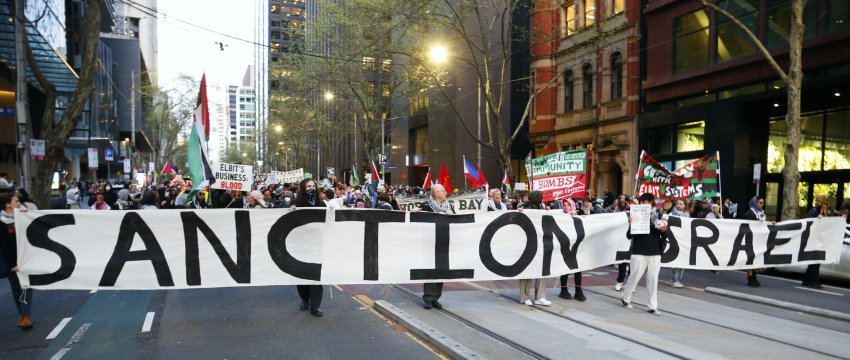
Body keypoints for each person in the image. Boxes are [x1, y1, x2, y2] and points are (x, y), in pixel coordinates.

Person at [621, 193, 667, 315]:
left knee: (653, 279)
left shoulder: (660, 216)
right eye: (642, 201)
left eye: (646, 201)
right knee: (634, 276)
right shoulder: (635, 215)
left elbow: (666, 236)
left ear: (652, 203)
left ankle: (653, 306)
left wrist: (664, 230)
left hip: (655, 252)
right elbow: (628, 236)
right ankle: (626, 297)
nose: (643, 204)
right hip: (638, 251)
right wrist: (631, 224)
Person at [415, 184, 456, 309]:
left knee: (441, 270)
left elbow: (458, 223)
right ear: (437, 193)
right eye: (443, 191)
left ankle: (436, 297)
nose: (446, 192)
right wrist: (415, 213)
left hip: (444, 242)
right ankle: (428, 298)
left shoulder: (450, 206)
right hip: (429, 243)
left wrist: (452, 215)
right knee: (430, 271)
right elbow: (416, 223)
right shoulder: (426, 206)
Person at [291, 178, 326, 317]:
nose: (311, 188)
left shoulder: (321, 203)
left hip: (317, 246)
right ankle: (305, 300)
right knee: (302, 277)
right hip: (300, 246)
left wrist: (331, 211)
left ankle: (315, 306)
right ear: (302, 188)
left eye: (313, 186)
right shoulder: (297, 203)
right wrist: (290, 212)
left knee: (315, 278)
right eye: (308, 186)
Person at [0, 192, 33, 329]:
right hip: (12, 263)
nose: (19, 203)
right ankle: (23, 315)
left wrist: (26, 214)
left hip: (25, 259)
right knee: (16, 289)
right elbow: (4, 247)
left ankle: (25, 316)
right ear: (7, 205)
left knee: (26, 287)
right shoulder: (2, 223)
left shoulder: (22, 216)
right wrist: (14, 264)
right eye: (16, 201)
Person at [516, 191, 553, 307]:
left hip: (540, 242)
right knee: (526, 270)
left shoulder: (542, 207)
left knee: (541, 269)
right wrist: (519, 212)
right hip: (526, 242)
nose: (541, 199)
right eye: (540, 197)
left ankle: (540, 297)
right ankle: (525, 296)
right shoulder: (523, 206)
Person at [558, 198, 586, 301]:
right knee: (565, 268)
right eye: (564, 205)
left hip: (577, 245)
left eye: (568, 205)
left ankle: (578, 291)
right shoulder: (560, 216)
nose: (566, 207)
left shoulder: (578, 215)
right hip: (565, 246)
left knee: (578, 269)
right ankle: (563, 290)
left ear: (572, 205)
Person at [802, 195, 829, 289]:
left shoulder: (825, 212)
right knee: (815, 261)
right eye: (817, 200)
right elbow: (808, 221)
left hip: (819, 239)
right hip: (813, 238)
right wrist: (817, 219)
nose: (817, 202)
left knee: (815, 261)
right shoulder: (814, 211)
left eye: (819, 201)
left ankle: (808, 281)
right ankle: (813, 281)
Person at [742, 196, 766, 287]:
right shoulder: (750, 213)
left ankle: (754, 277)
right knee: (750, 259)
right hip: (750, 239)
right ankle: (750, 278)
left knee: (756, 259)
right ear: (755, 203)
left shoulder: (761, 213)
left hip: (757, 239)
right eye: (760, 203)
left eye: (763, 203)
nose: (762, 205)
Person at [668, 199, 689, 288]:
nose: (679, 205)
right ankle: (676, 280)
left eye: (681, 204)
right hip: (674, 240)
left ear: (685, 205)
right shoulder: (671, 214)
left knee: (681, 261)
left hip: (683, 240)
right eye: (678, 203)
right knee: (678, 261)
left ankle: (675, 278)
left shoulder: (687, 215)